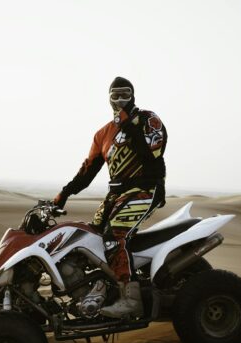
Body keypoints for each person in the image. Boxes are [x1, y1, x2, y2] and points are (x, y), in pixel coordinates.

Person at [53, 76, 167, 318]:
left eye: (125, 94)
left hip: (145, 188)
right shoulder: (102, 134)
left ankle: (131, 299)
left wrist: (128, 125)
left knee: (113, 235)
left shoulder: (149, 119)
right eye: (115, 95)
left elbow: (153, 154)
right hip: (116, 192)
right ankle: (101, 286)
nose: (120, 100)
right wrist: (65, 193)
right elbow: (87, 171)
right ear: (108, 98)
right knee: (90, 237)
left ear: (133, 95)